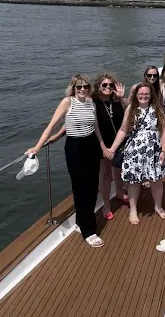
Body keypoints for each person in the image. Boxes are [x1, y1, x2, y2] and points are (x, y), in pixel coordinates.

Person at [26, 74, 110, 248]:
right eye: (78, 87)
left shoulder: (91, 103)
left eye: (85, 86)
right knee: (80, 188)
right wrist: (37, 147)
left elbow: (95, 127)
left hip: (91, 146)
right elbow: (51, 125)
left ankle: (81, 222)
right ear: (73, 88)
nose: (82, 89)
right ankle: (89, 231)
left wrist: (103, 147)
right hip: (75, 147)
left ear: (89, 88)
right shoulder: (67, 102)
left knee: (92, 186)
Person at [108, 83, 165, 224]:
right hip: (135, 151)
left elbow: (164, 130)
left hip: (153, 151)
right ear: (136, 95)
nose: (143, 96)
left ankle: (158, 207)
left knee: (156, 181)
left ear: (151, 95)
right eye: (141, 93)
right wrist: (112, 149)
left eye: (146, 93)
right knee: (134, 182)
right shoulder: (131, 108)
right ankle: (133, 210)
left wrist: (163, 150)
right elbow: (123, 130)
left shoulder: (157, 109)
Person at [93, 73, 129, 218]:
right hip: (103, 144)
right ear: (98, 87)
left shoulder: (116, 101)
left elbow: (131, 110)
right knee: (106, 173)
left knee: (119, 168)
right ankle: (106, 204)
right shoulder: (93, 103)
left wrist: (121, 97)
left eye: (111, 85)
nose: (108, 87)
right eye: (104, 85)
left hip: (120, 142)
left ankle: (119, 192)